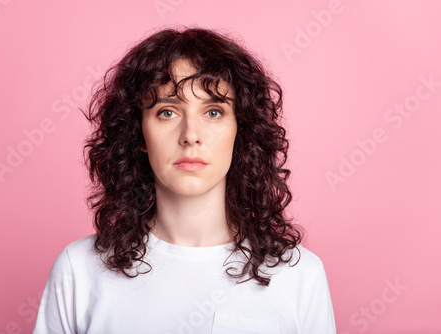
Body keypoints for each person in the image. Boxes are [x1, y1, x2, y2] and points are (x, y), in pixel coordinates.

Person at [33, 26, 336, 334]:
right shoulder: (79, 271)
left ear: (240, 130)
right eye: (167, 112)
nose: (191, 135)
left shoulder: (299, 275)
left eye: (214, 112)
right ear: (139, 133)